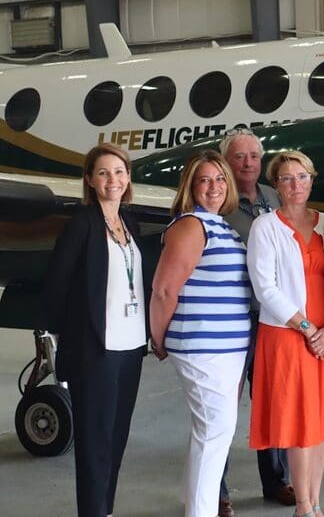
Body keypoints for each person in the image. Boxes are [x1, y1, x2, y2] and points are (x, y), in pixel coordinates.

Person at [247, 151, 324, 517]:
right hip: (288, 335)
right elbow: (265, 287)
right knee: (300, 424)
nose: (295, 185)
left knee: (322, 422)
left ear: (313, 180)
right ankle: (302, 505)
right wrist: (309, 328)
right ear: (275, 185)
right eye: (286, 179)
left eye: (302, 177)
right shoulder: (265, 226)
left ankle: (315, 501)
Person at [45, 143, 150, 517]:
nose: (113, 180)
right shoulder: (83, 223)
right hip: (97, 349)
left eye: (119, 172)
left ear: (128, 178)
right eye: (104, 173)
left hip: (131, 346)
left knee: (117, 439)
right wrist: (66, 337)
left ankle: (104, 509)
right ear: (90, 180)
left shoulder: (129, 223)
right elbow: (56, 285)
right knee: (95, 444)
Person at [150, 150, 250, 517]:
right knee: (215, 431)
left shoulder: (221, 224)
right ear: (191, 187)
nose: (214, 187)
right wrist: (159, 338)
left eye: (220, 179)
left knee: (210, 434)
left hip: (227, 348)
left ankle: (196, 506)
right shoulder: (191, 224)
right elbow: (163, 289)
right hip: (201, 345)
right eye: (205, 180)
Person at [218, 128, 293, 516]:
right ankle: (217, 491)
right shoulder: (218, 199)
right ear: (226, 161)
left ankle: (276, 481)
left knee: (269, 402)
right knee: (223, 407)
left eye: (253, 156)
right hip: (229, 318)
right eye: (239, 156)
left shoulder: (273, 198)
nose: (248, 163)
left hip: (268, 318)